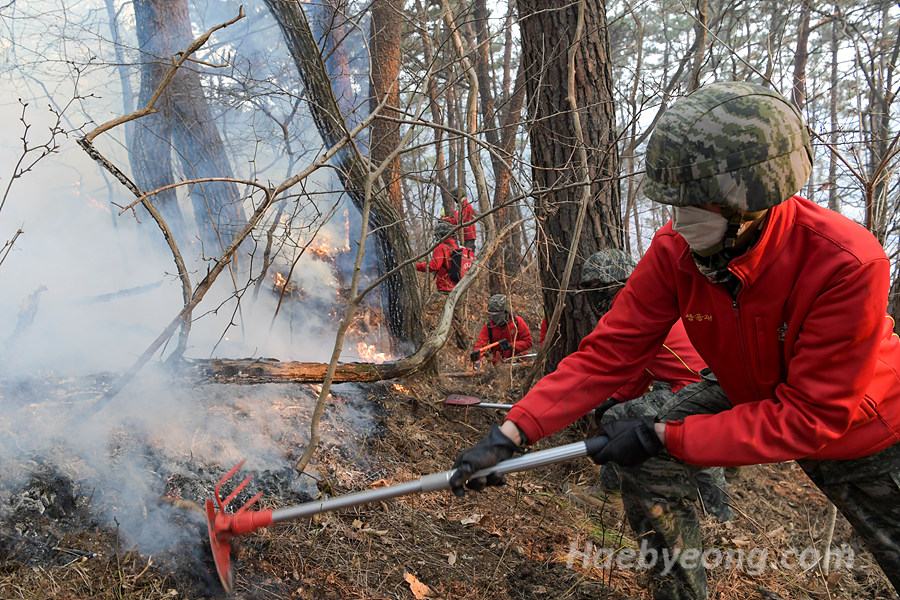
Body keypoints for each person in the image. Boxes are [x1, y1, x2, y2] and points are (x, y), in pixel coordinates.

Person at [448, 82, 900, 599]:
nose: (679, 223)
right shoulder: (676, 249)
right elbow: (611, 353)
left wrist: (667, 434)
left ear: (751, 200)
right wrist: (510, 433)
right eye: (675, 206)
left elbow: (812, 415)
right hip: (746, 389)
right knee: (636, 441)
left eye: (696, 206)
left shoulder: (844, 262)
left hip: (871, 432)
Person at [578, 249, 733, 522]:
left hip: (693, 387)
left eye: (594, 287)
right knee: (704, 446)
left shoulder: (631, 311)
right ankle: (721, 518)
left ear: (609, 285)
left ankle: (609, 495)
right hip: (715, 384)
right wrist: (615, 398)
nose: (592, 295)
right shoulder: (649, 301)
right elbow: (643, 367)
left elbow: (624, 366)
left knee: (617, 419)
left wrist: (610, 405)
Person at [470, 294, 532, 365]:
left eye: (498, 313)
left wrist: (511, 345)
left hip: (520, 362)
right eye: (492, 313)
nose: (495, 316)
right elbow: (480, 345)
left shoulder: (517, 322)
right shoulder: (488, 328)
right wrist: (477, 355)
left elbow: (528, 342)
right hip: (499, 365)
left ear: (506, 312)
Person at [415, 220, 462, 292]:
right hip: (456, 288)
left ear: (441, 235)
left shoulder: (441, 247)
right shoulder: (455, 246)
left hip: (445, 287)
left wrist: (416, 266)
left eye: (437, 235)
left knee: (432, 303)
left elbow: (434, 266)